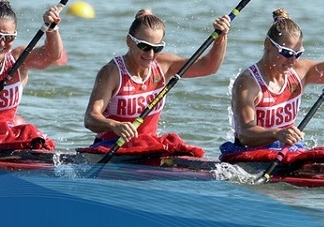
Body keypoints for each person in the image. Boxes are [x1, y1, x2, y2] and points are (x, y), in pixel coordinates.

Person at [219, 8, 324, 163]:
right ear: (268, 44)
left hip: (286, 152)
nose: (292, 60)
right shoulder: (248, 82)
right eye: (287, 53)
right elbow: (245, 133)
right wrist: (278, 134)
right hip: (251, 154)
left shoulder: (300, 72)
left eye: (298, 54)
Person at [81, 9, 230, 157]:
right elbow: (90, 118)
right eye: (144, 46)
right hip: (112, 148)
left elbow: (209, 67)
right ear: (129, 41)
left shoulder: (164, 65)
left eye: (157, 48)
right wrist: (114, 125)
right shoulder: (112, 73)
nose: (150, 54)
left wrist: (221, 37)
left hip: (148, 148)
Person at [0, 0, 63, 151]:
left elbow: (51, 55)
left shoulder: (18, 59)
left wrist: (52, 28)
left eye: (8, 38)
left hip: (6, 138)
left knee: (32, 133)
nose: (1, 43)